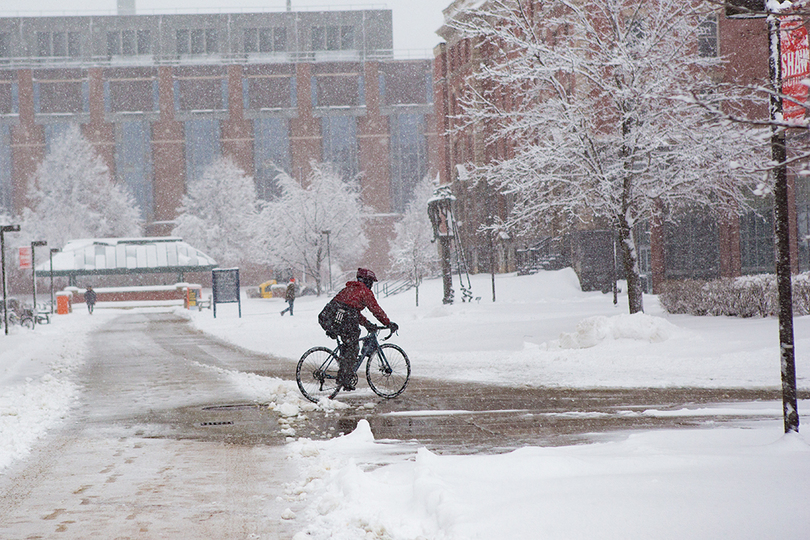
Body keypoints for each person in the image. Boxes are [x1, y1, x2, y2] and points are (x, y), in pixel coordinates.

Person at [318, 268, 398, 391]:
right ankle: (344, 378)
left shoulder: (348, 289)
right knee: (353, 347)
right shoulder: (364, 291)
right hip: (344, 318)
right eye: (371, 282)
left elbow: (351, 310)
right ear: (367, 281)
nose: (371, 285)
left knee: (348, 345)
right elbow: (375, 310)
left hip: (329, 317)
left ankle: (344, 371)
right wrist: (388, 323)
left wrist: (367, 323)